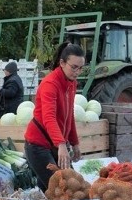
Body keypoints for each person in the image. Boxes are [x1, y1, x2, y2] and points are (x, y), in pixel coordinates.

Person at [23, 42, 85, 191]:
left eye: (81, 68)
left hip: (55, 144)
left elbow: (69, 115)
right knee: (62, 189)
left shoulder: (72, 83)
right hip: (38, 145)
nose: (77, 72)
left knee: (59, 187)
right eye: (74, 67)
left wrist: (75, 143)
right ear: (62, 63)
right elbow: (48, 118)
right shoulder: (50, 83)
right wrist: (62, 145)